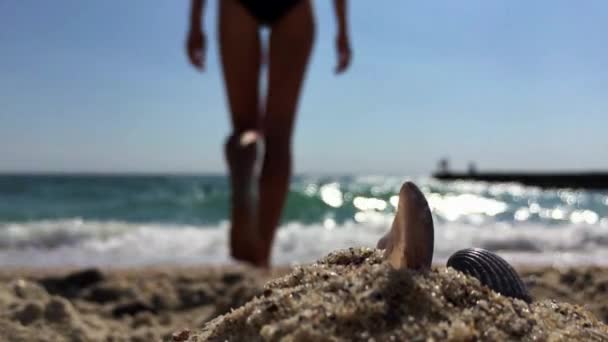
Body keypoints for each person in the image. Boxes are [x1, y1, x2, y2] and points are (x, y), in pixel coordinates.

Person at [186, 0, 352, 267]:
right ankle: (261, 256)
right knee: (279, 137)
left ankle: (245, 157)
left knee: (244, 128)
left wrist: (195, 23)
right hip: (295, 8)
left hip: (236, 7)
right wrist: (342, 30)